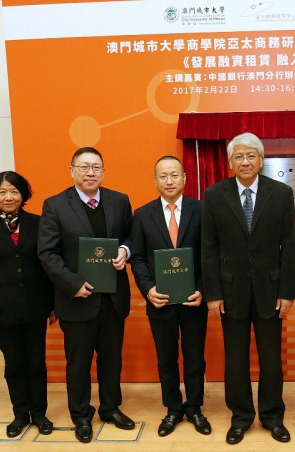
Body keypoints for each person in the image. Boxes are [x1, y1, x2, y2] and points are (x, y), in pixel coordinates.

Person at [202, 132, 295, 445]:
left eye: (251, 155)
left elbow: (289, 246)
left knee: (271, 359)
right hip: (230, 293)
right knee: (236, 360)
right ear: (230, 162)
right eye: (238, 156)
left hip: (270, 291)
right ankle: (240, 417)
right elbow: (209, 248)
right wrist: (213, 294)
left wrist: (287, 292)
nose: (245, 161)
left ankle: (272, 417)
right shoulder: (215, 195)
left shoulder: (281, 193)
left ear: (261, 159)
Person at [37, 147, 134, 443]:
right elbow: (47, 252)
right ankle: (80, 414)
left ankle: (110, 407)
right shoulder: (55, 205)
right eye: (84, 167)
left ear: (104, 171)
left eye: (96, 167)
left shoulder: (119, 201)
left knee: (111, 358)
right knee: (77, 362)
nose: (90, 172)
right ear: (72, 171)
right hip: (76, 299)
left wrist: (124, 251)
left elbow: (132, 236)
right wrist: (72, 283)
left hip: (112, 297)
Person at [128, 156, 211, 437]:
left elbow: (209, 255)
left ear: (185, 178)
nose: (169, 181)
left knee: (195, 357)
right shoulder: (142, 214)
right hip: (159, 301)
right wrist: (148, 288)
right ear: (155, 181)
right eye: (163, 176)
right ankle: (173, 409)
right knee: (166, 359)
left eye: (174, 175)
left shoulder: (201, 210)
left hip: (193, 300)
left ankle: (195, 408)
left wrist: (203, 289)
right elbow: (137, 257)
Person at [0, 171, 56, 438]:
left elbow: (49, 266)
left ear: (23, 195)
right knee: (14, 363)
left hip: (36, 305)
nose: (9, 197)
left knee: (36, 362)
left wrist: (53, 304)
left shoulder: (38, 223)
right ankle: (20, 413)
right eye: (3, 192)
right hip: (3, 309)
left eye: (14, 191)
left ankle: (39, 413)